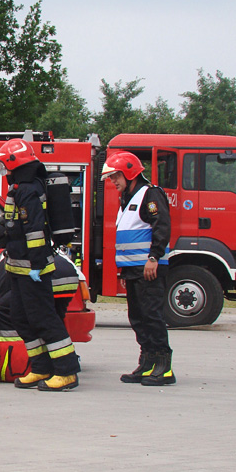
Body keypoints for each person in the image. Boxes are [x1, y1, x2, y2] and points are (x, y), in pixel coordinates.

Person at [0, 138, 80, 391]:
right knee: (22, 318)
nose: (4, 169)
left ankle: (66, 372)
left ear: (14, 162)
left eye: (4, 164)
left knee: (44, 318)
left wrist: (36, 265)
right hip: (18, 267)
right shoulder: (21, 187)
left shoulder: (28, 190)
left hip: (33, 268)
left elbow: (34, 231)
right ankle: (41, 367)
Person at [102, 151, 175, 386]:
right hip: (134, 270)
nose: (113, 182)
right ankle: (147, 363)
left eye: (115, 177)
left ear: (129, 172)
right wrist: (125, 271)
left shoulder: (150, 194)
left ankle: (164, 367)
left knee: (152, 316)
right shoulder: (129, 197)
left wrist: (153, 257)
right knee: (138, 317)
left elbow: (161, 226)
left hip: (149, 269)